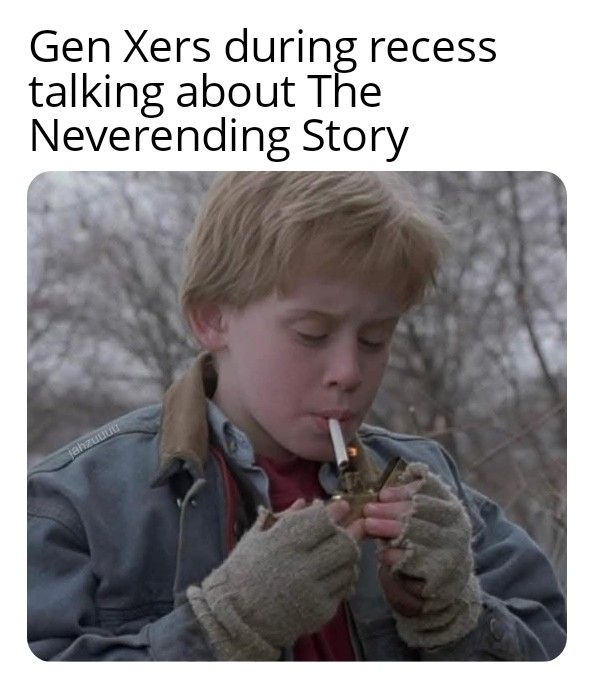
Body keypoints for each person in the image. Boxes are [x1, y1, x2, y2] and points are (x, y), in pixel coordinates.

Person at [27, 171, 566, 661]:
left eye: (375, 338)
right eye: (312, 334)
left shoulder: (427, 487)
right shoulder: (77, 503)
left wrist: (459, 620)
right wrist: (220, 630)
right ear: (213, 318)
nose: (349, 371)